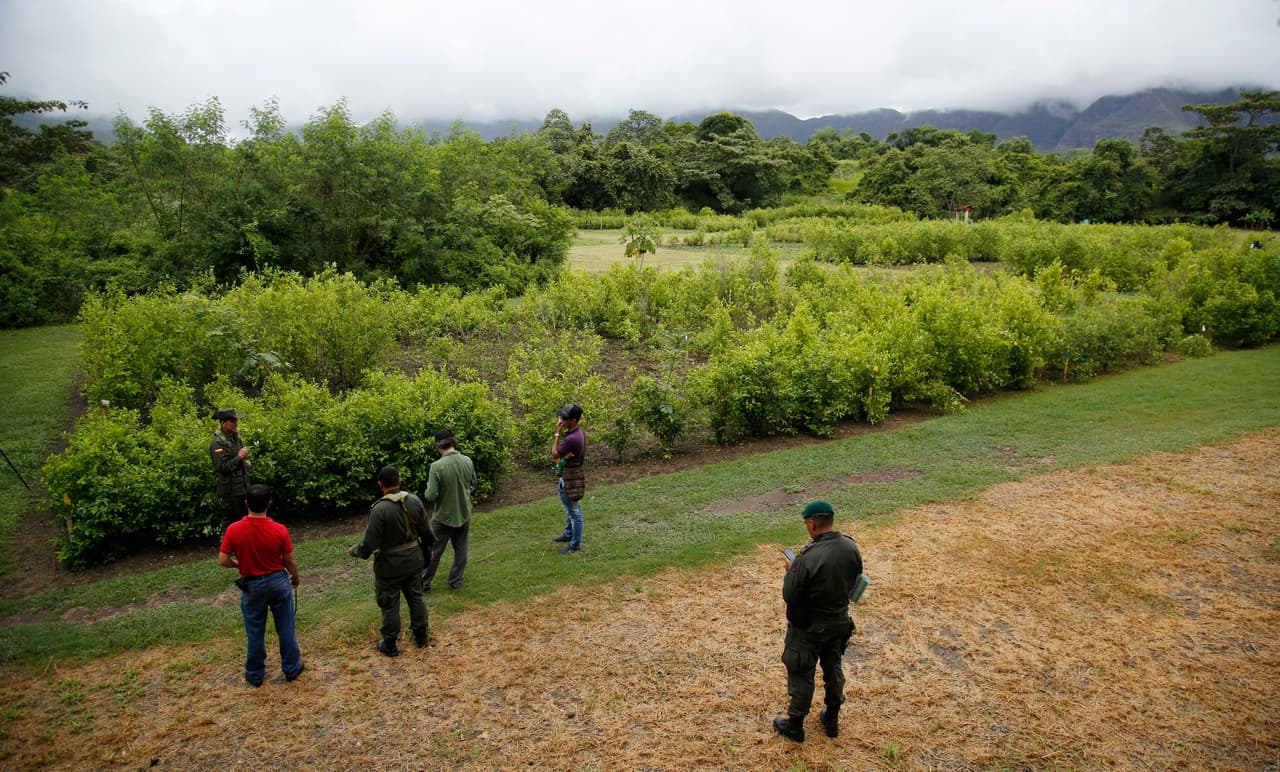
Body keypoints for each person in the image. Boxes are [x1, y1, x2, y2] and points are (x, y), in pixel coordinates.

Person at [773, 500, 863, 743]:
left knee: (802, 671)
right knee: (833, 669)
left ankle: (795, 725)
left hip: (809, 627)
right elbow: (857, 579)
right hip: (839, 621)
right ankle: (832, 719)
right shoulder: (850, 547)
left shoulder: (805, 559)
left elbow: (789, 595)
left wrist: (791, 569)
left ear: (812, 523)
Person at [218, 484, 303, 687]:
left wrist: (238, 564)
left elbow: (222, 559)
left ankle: (255, 674)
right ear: (269, 504)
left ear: (246, 503)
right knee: (286, 627)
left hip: (252, 585)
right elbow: (289, 560)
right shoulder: (279, 530)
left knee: (255, 630)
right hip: (278, 582)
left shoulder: (234, 530)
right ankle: (292, 668)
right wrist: (296, 577)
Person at [349, 466, 434, 656]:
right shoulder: (414, 501)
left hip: (389, 565)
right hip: (414, 559)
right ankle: (422, 638)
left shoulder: (379, 509)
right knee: (417, 597)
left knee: (389, 604)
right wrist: (428, 551)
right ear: (400, 480)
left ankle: (390, 644)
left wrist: (354, 551)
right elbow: (427, 532)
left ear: (380, 485)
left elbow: (369, 543)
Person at [422, 429, 477, 591]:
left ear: (438, 445)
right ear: (454, 442)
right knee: (461, 550)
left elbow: (430, 496)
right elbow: (472, 485)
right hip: (464, 513)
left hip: (443, 517)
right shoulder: (467, 461)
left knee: (432, 551)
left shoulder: (436, 467)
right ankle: (456, 581)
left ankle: (424, 583)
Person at [550, 403, 586, 554]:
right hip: (571, 474)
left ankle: (575, 545)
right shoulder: (577, 432)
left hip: (570, 478)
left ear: (573, 420)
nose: (561, 420)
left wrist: (557, 433)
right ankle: (568, 534)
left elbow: (554, 454)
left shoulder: (572, 438)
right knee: (571, 508)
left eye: (564, 418)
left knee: (574, 511)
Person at [210, 408, 251, 529]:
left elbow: (234, 459)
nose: (236, 423)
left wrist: (244, 463)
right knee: (231, 522)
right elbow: (222, 467)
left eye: (236, 420)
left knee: (245, 520)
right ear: (223, 423)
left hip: (242, 486)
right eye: (232, 421)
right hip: (230, 491)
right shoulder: (218, 443)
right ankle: (227, 547)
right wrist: (239, 457)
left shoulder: (235, 438)